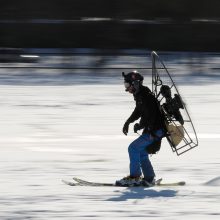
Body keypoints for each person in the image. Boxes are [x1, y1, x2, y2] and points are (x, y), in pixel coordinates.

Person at [116, 71, 165, 187]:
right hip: (153, 129)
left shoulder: (146, 96)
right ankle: (149, 177)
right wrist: (128, 122)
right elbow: (138, 111)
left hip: (155, 130)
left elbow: (151, 115)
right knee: (142, 151)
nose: (126, 89)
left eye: (128, 85)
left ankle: (135, 177)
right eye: (125, 86)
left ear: (135, 83)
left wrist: (140, 125)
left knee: (133, 148)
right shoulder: (140, 95)